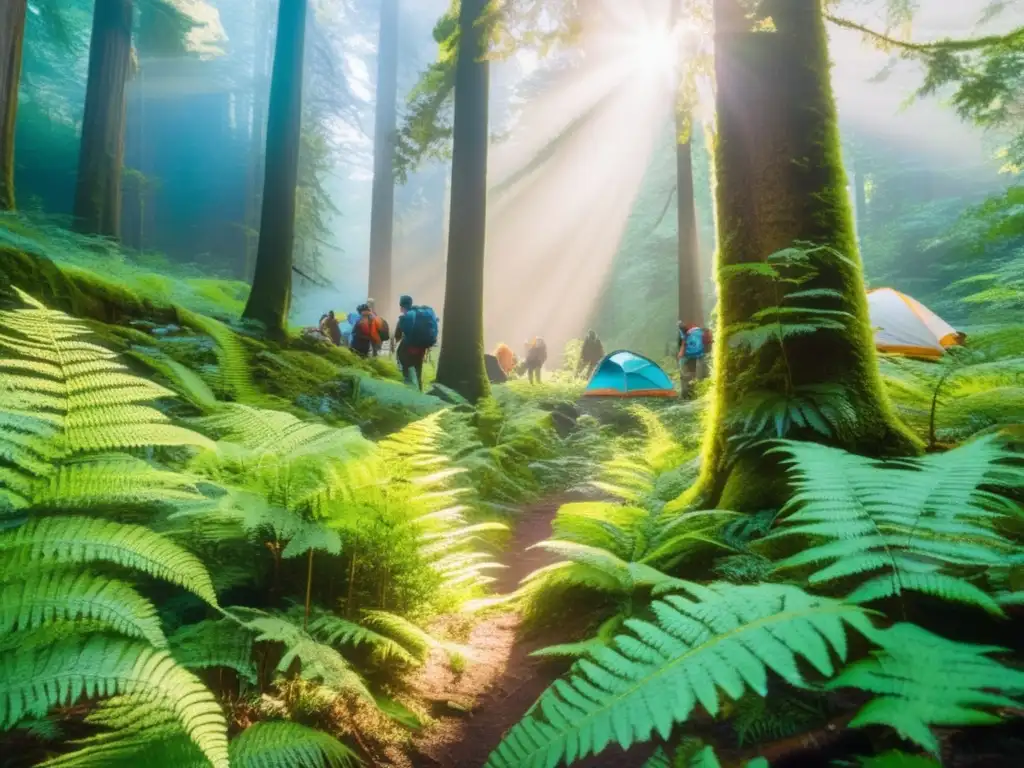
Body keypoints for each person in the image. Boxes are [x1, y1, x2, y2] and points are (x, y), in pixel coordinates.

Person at [394, 294, 438, 390]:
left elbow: (397, 335)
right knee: (418, 371)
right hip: (421, 350)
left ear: (401, 306)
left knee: (406, 373)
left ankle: (409, 391)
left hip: (407, 350)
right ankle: (419, 389)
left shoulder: (405, 317)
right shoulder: (420, 314)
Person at [678, 321, 712, 399]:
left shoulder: (695, 332)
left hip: (693, 354)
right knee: (686, 370)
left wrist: (681, 352)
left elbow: (683, 343)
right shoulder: (695, 331)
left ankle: (693, 386)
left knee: (698, 369)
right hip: (694, 354)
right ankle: (687, 390)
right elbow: (684, 343)